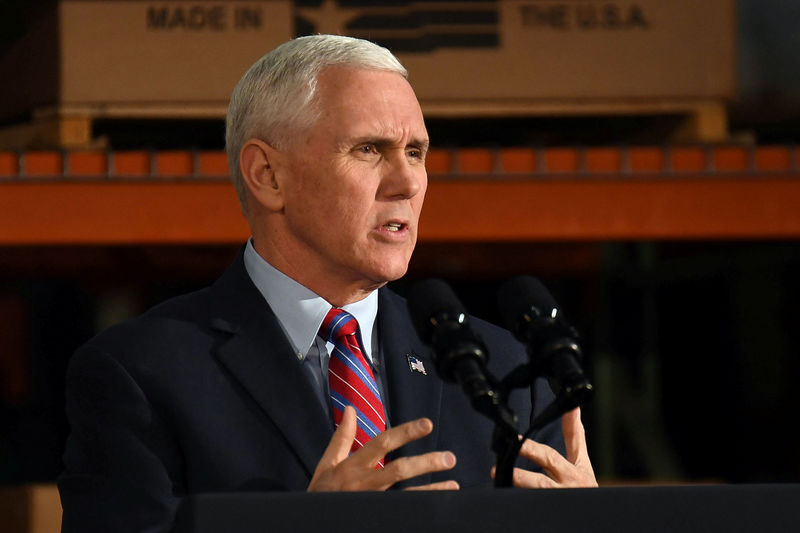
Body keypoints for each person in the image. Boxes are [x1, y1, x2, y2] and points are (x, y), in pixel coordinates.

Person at [58, 34, 596, 532]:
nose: (408, 181)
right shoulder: (140, 374)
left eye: (416, 153)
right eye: (369, 150)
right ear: (268, 176)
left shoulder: (503, 372)